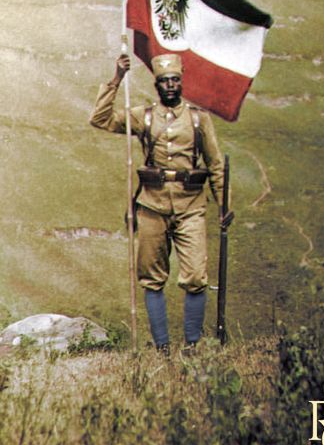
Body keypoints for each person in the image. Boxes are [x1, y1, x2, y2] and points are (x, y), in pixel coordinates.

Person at [89, 52, 227, 353]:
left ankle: (192, 345)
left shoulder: (198, 118)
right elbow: (100, 119)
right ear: (157, 84)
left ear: (181, 81)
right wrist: (117, 78)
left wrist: (223, 205)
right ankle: (161, 347)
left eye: (175, 80)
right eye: (164, 81)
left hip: (191, 207)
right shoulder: (144, 116)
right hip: (152, 206)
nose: (170, 85)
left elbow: (215, 164)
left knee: (194, 276)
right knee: (151, 278)